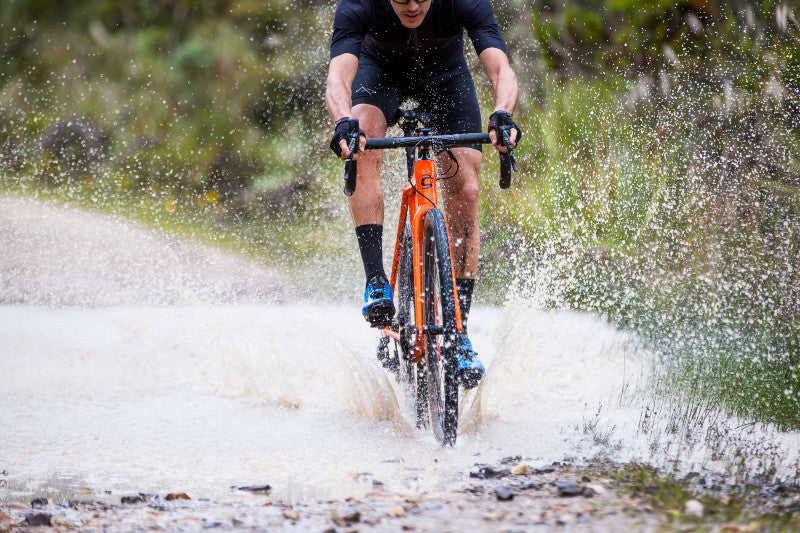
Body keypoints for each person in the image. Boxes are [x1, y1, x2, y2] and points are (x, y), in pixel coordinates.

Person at [325, 0, 520, 389]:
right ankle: (377, 280)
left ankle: (459, 332)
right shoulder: (359, 4)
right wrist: (344, 123)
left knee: (466, 184)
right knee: (362, 143)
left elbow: (500, 66)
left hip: (445, 76)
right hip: (379, 75)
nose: (412, 6)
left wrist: (502, 113)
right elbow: (338, 78)